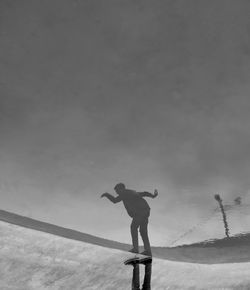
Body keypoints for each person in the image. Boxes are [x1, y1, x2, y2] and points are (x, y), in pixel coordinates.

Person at [101, 183, 158, 256]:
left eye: (117, 191)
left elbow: (115, 200)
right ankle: (147, 250)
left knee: (133, 228)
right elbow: (144, 193)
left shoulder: (124, 193)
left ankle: (136, 249)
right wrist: (153, 196)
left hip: (139, 212)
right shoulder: (131, 192)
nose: (117, 192)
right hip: (146, 211)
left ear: (121, 189)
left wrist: (106, 194)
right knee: (143, 231)